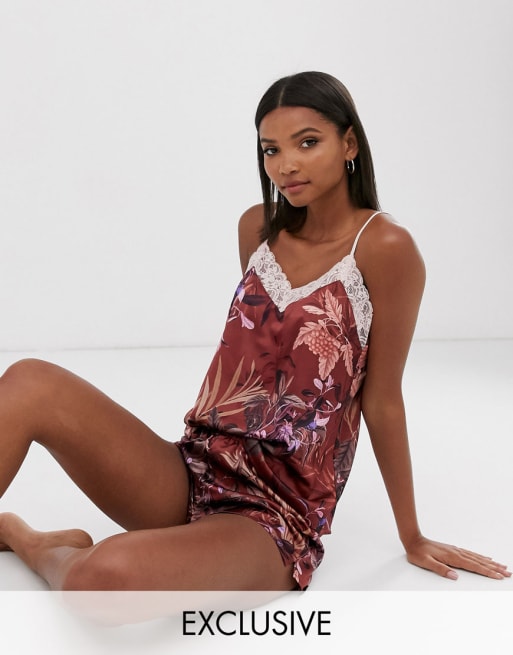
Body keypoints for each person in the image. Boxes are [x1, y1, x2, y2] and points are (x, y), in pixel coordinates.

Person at [0, 71, 509, 592]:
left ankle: (28, 540)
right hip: (192, 470)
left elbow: (382, 400)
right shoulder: (258, 229)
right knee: (29, 380)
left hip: (271, 518)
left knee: (100, 578)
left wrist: (412, 535)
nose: (286, 165)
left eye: (307, 143)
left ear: (349, 143)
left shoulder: (386, 248)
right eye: (271, 150)